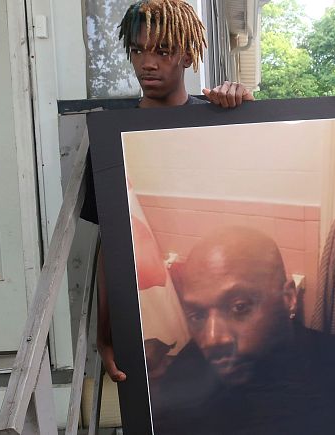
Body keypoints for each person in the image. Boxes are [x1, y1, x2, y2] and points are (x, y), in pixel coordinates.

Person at [80, 0, 254, 382]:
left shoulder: (217, 121)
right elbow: (109, 246)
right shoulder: (110, 141)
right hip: (149, 308)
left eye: (162, 51)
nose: (147, 63)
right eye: (138, 50)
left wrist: (244, 111)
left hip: (217, 292)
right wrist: (105, 335)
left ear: (188, 56)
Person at [149, 226, 335, 435]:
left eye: (239, 307)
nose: (212, 339)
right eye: (198, 315)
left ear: (289, 298)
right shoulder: (184, 375)